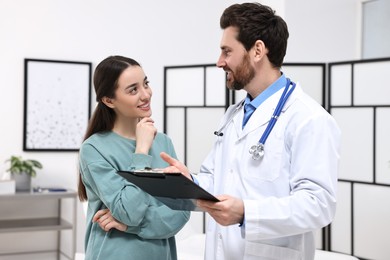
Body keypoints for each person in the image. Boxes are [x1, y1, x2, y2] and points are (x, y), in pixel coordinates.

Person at [160, 2, 341, 260]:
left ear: (257, 50)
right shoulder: (234, 114)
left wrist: (247, 213)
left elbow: (318, 205)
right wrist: (190, 182)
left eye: (226, 51)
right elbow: (219, 180)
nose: (219, 62)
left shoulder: (308, 119)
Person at [77, 55, 190, 260]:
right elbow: (129, 211)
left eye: (145, 83)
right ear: (108, 100)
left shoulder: (164, 143)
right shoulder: (93, 149)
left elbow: (181, 213)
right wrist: (141, 151)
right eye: (133, 90)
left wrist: (129, 226)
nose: (146, 94)